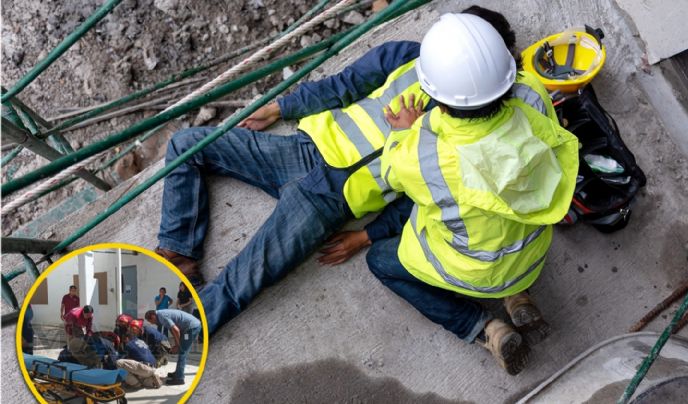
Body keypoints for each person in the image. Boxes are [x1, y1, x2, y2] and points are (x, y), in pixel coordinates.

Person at [155, 2, 558, 336]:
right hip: (304, 148)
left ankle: (168, 337)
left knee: (240, 283)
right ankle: (179, 252)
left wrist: (366, 236)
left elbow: (426, 203)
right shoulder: (405, 57)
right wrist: (283, 107)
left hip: (329, 202)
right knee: (186, 145)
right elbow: (344, 84)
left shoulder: (461, 137)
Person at [368, 13, 579, 375]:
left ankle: (487, 329)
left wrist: (405, 131)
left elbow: (390, 175)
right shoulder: (534, 95)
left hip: (471, 270)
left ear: (436, 97)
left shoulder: (424, 152)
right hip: (530, 255)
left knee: (379, 261)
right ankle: (516, 297)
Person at [145, 309, 202, 385]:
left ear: (153, 316)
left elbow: (176, 330)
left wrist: (178, 346)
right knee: (181, 349)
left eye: (151, 321)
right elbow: (172, 330)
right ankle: (178, 372)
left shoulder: (162, 317)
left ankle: (179, 378)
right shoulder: (161, 315)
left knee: (182, 352)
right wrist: (176, 344)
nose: (152, 323)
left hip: (191, 328)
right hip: (188, 327)